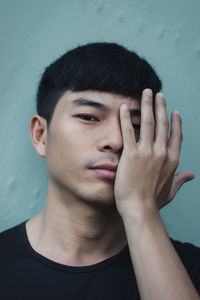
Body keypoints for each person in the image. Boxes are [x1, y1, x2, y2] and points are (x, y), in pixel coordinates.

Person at [0, 42, 200, 300]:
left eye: (135, 125)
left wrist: (140, 208)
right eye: (89, 117)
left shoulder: (189, 271)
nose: (116, 140)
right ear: (41, 135)